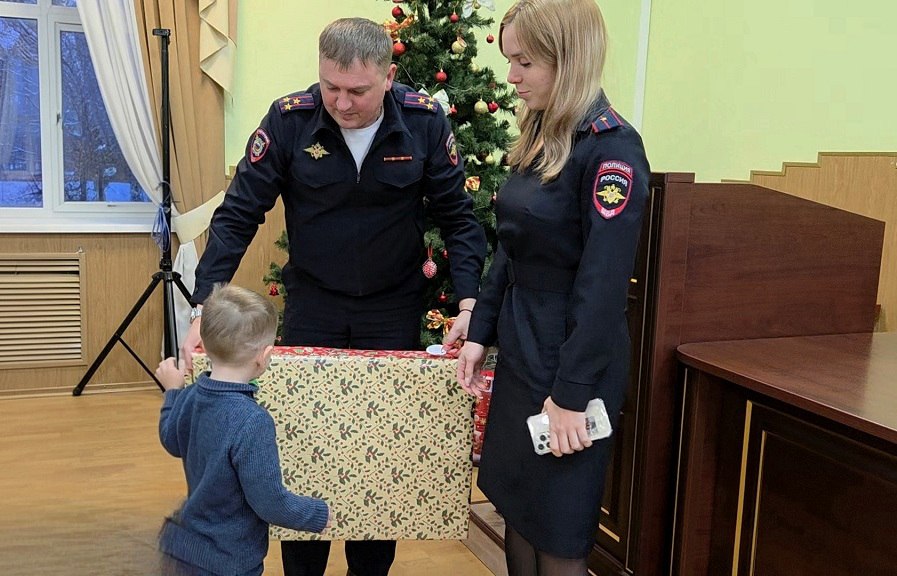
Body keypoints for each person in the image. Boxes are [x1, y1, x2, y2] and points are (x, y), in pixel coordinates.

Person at [180, 17, 486, 576]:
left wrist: (469, 305)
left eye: (358, 91)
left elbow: (460, 220)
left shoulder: (422, 123)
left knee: (380, 453)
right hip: (314, 306)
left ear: (388, 77)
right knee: (302, 448)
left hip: (392, 310)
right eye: (331, 87)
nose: (342, 104)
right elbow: (239, 213)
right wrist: (205, 305)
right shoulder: (290, 120)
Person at [456, 0, 651, 574]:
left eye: (524, 62)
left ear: (568, 59)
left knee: (559, 532)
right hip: (523, 349)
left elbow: (603, 288)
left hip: (572, 361)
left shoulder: (612, 149)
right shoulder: (542, 132)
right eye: (510, 60)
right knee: (519, 511)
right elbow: (510, 247)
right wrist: (480, 332)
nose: (511, 77)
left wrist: (570, 395)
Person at [156, 284, 331, 576]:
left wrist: (173, 392)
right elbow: (269, 503)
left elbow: (170, 438)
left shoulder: (191, 395)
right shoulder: (253, 421)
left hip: (187, 547)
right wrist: (317, 514)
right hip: (230, 559)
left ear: (205, 345)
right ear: (264, 356)